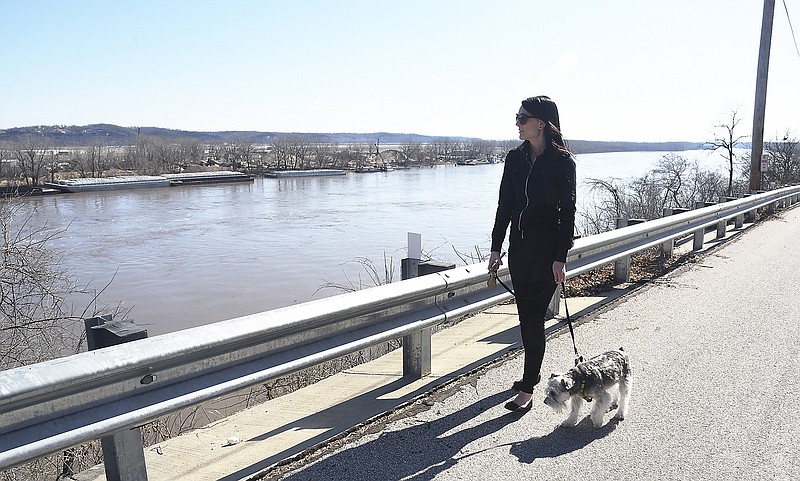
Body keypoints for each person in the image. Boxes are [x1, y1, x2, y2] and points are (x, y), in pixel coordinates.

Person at [488, 95, 576, 412]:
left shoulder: (563, 163)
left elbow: (567, 213)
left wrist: (560, 257)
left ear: (541, 123)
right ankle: (531, 375)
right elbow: (505, 207)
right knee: (526, 318)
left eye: (522, 118)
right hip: (520, 251)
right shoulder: (515, 159)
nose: (518, 123)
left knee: (533, 319)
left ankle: (527, 386)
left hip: (547, 254)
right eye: (517, 117)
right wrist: (496, 247)